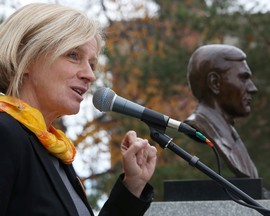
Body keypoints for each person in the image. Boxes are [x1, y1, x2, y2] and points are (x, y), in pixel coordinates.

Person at [0, 3, 157, 216]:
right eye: (73, 55)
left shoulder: (54, 150)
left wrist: (133, 185)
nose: (90, 75)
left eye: (92, 64)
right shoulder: (5, 133)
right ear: (25, 57)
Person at [184, 44, 259, 178]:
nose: (252, 88)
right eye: (243, 78)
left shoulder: (230, 134)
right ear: (215, 83)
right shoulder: (202, 127)